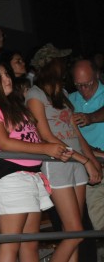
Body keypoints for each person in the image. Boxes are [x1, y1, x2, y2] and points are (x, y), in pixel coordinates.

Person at [0, 61, 72, 262]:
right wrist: (46, 148)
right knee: (11, 244)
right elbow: (4, 143)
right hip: (9, 176)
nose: (7, 78)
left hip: (31, 176)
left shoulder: (15, 106)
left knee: (30, 245)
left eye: (7, 74)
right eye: (1, 76)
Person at [25, 45, 102, 262]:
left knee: (75, 232)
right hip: (56, 163)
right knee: (74, 230)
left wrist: (90, 161)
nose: (65, 65)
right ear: (52, 65)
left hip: (76, 162)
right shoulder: (34, 94)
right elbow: (46, 135)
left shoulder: (64, 93)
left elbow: (76, 133)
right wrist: (85, 160)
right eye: (61, 61)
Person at [70, 59, 104, 230]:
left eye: (88, 84)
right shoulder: (69, 100)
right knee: (100, 223)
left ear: (97, 76)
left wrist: (90, 118)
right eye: (78, 85)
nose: (83, 89)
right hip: (91, 168)